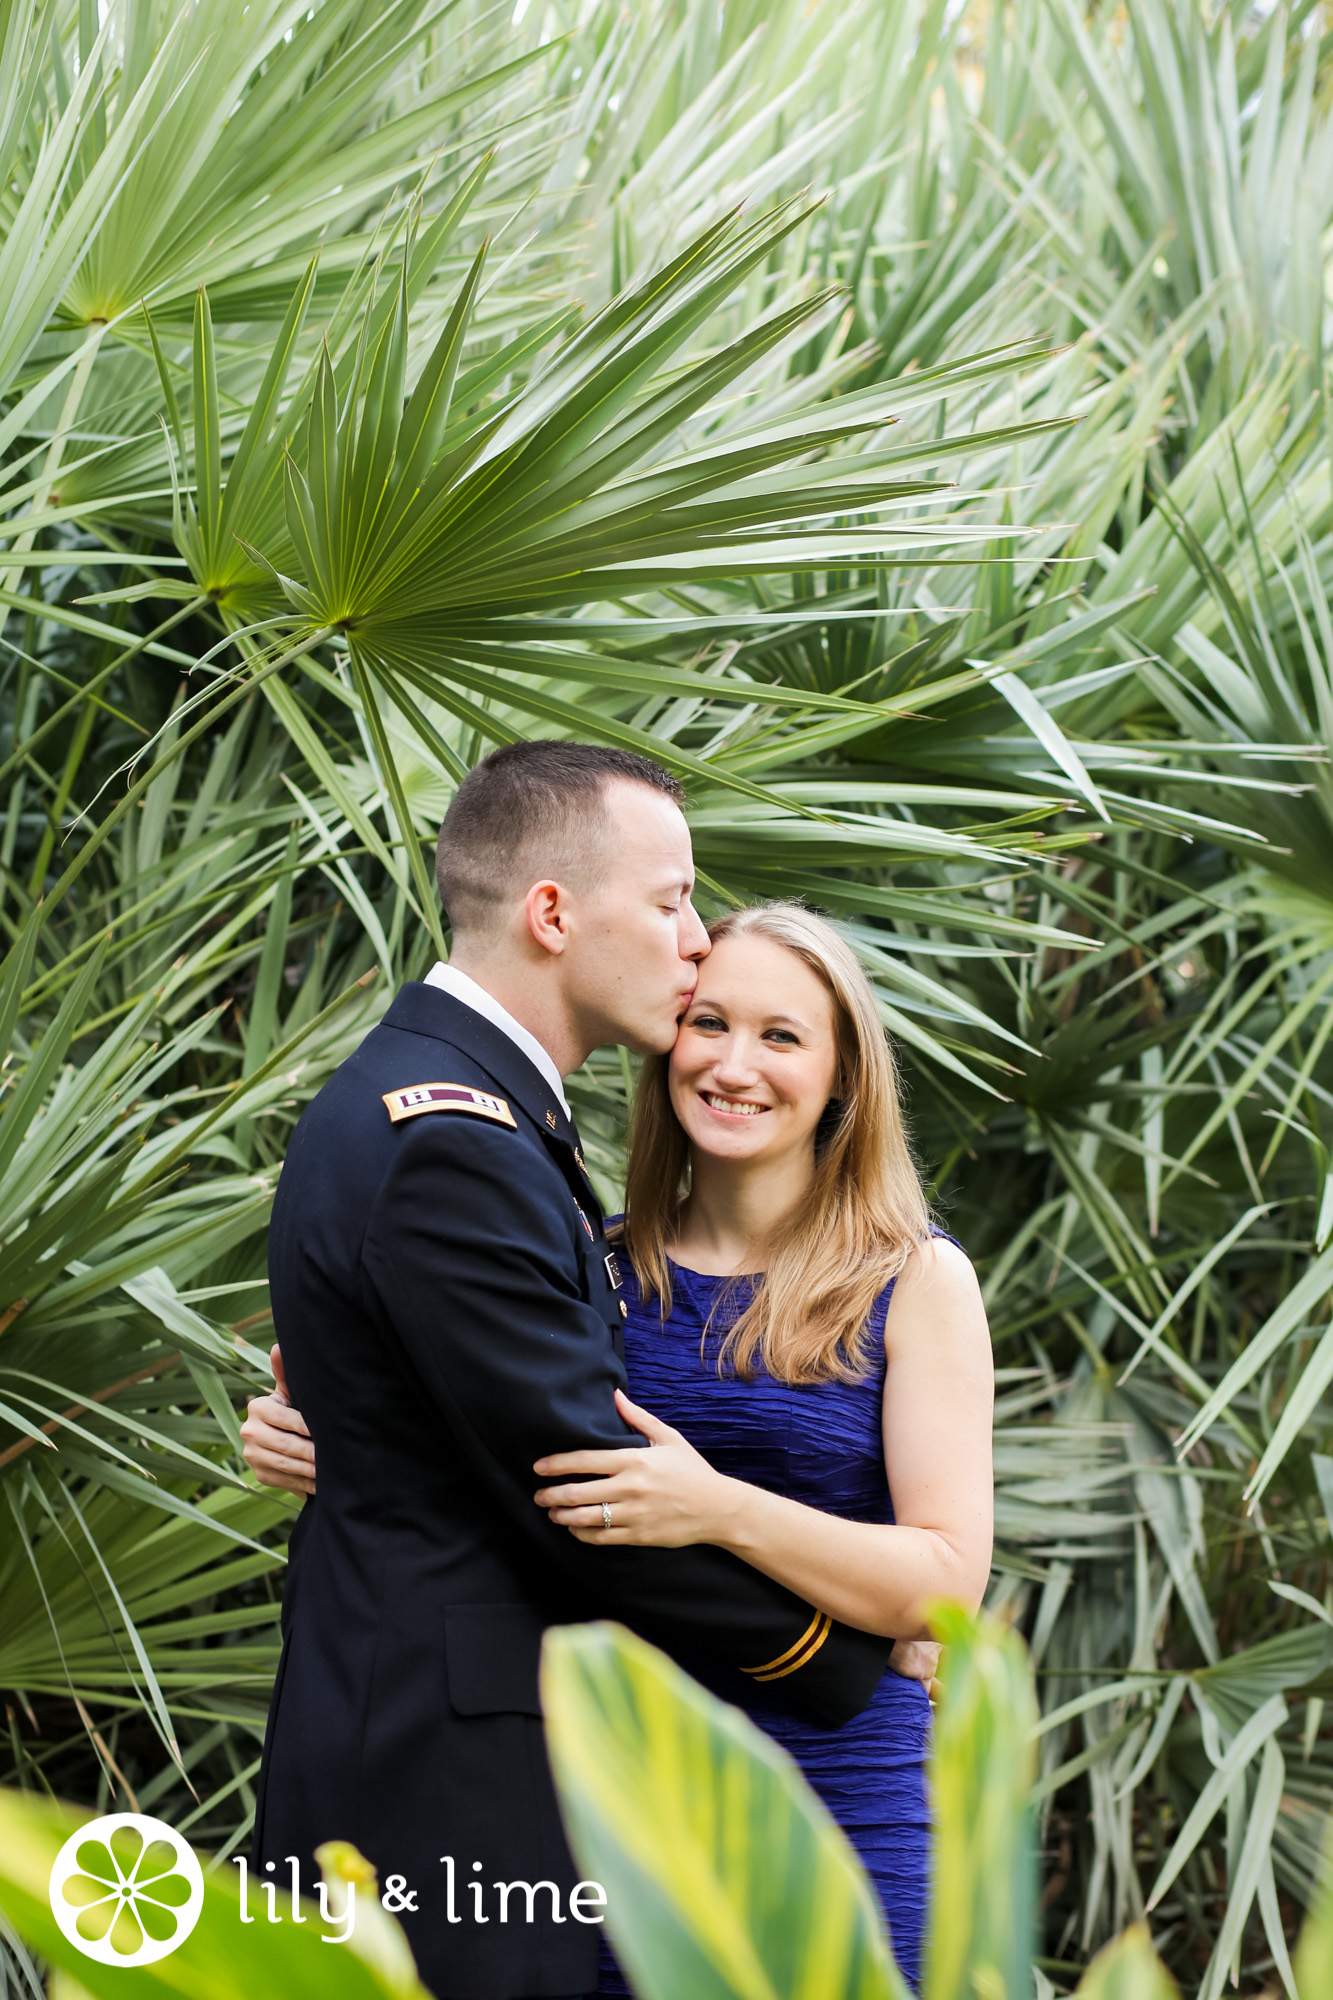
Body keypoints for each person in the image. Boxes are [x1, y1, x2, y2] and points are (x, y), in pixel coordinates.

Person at [246, 883, 994, 1993]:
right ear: (665, 1043)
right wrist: (327, 1438)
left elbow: (943, 1588)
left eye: (781, 1035)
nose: (734, 1063)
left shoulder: (911, 1278)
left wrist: (723, 1506)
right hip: (613, 1795)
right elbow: (500, 1463)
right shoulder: (592, 1257)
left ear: (843, 1075)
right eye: (710, 1023)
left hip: (834, 1787)